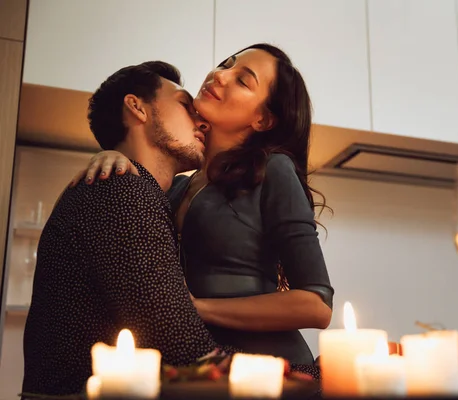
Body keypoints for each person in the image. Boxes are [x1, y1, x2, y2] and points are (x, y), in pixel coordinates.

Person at [22, 61, 321, 397]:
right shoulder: (123, 191)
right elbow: (188, 352)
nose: (199, 121)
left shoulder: (144, 193)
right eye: (184, 105)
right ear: (136, 107)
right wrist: (316, 375)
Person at [72, 43, 334, 365]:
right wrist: (116, 155)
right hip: (200, 370)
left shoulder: (273, 169)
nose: (219, 76)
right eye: (226, 64)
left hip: (269, 369)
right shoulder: (177, 186)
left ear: (263, 119)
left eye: (242, 80)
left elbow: (316, 304)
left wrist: (196, 307)